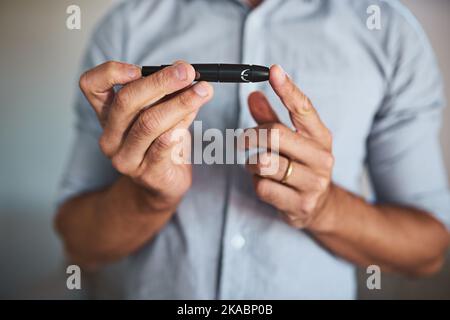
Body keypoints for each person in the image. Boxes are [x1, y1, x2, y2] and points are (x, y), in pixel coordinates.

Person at [55, 0, 450, 299]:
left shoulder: (389, 32)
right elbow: (79, 241)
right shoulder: (127, 25)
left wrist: (326, 207)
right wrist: (146, 198)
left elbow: (427, 251)